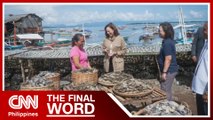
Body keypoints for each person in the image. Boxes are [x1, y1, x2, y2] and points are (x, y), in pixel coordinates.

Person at [157, 22, 179, 101]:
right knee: (167, 89)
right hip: (170, 70)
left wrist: (164, 73)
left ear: (166, 32)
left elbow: (168, 58)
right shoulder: (167, 41)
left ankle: (167, 107)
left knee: (164, 89)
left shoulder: (167, 43)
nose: (158, 32)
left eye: (160, 31)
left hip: (169, 71)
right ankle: (169, 104)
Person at [192, 22, 208, 115]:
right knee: (201, 112)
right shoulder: (206, 43)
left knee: (206, 112)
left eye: (205, 29)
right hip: (200, 89)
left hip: (205, 91)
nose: (203, 31)